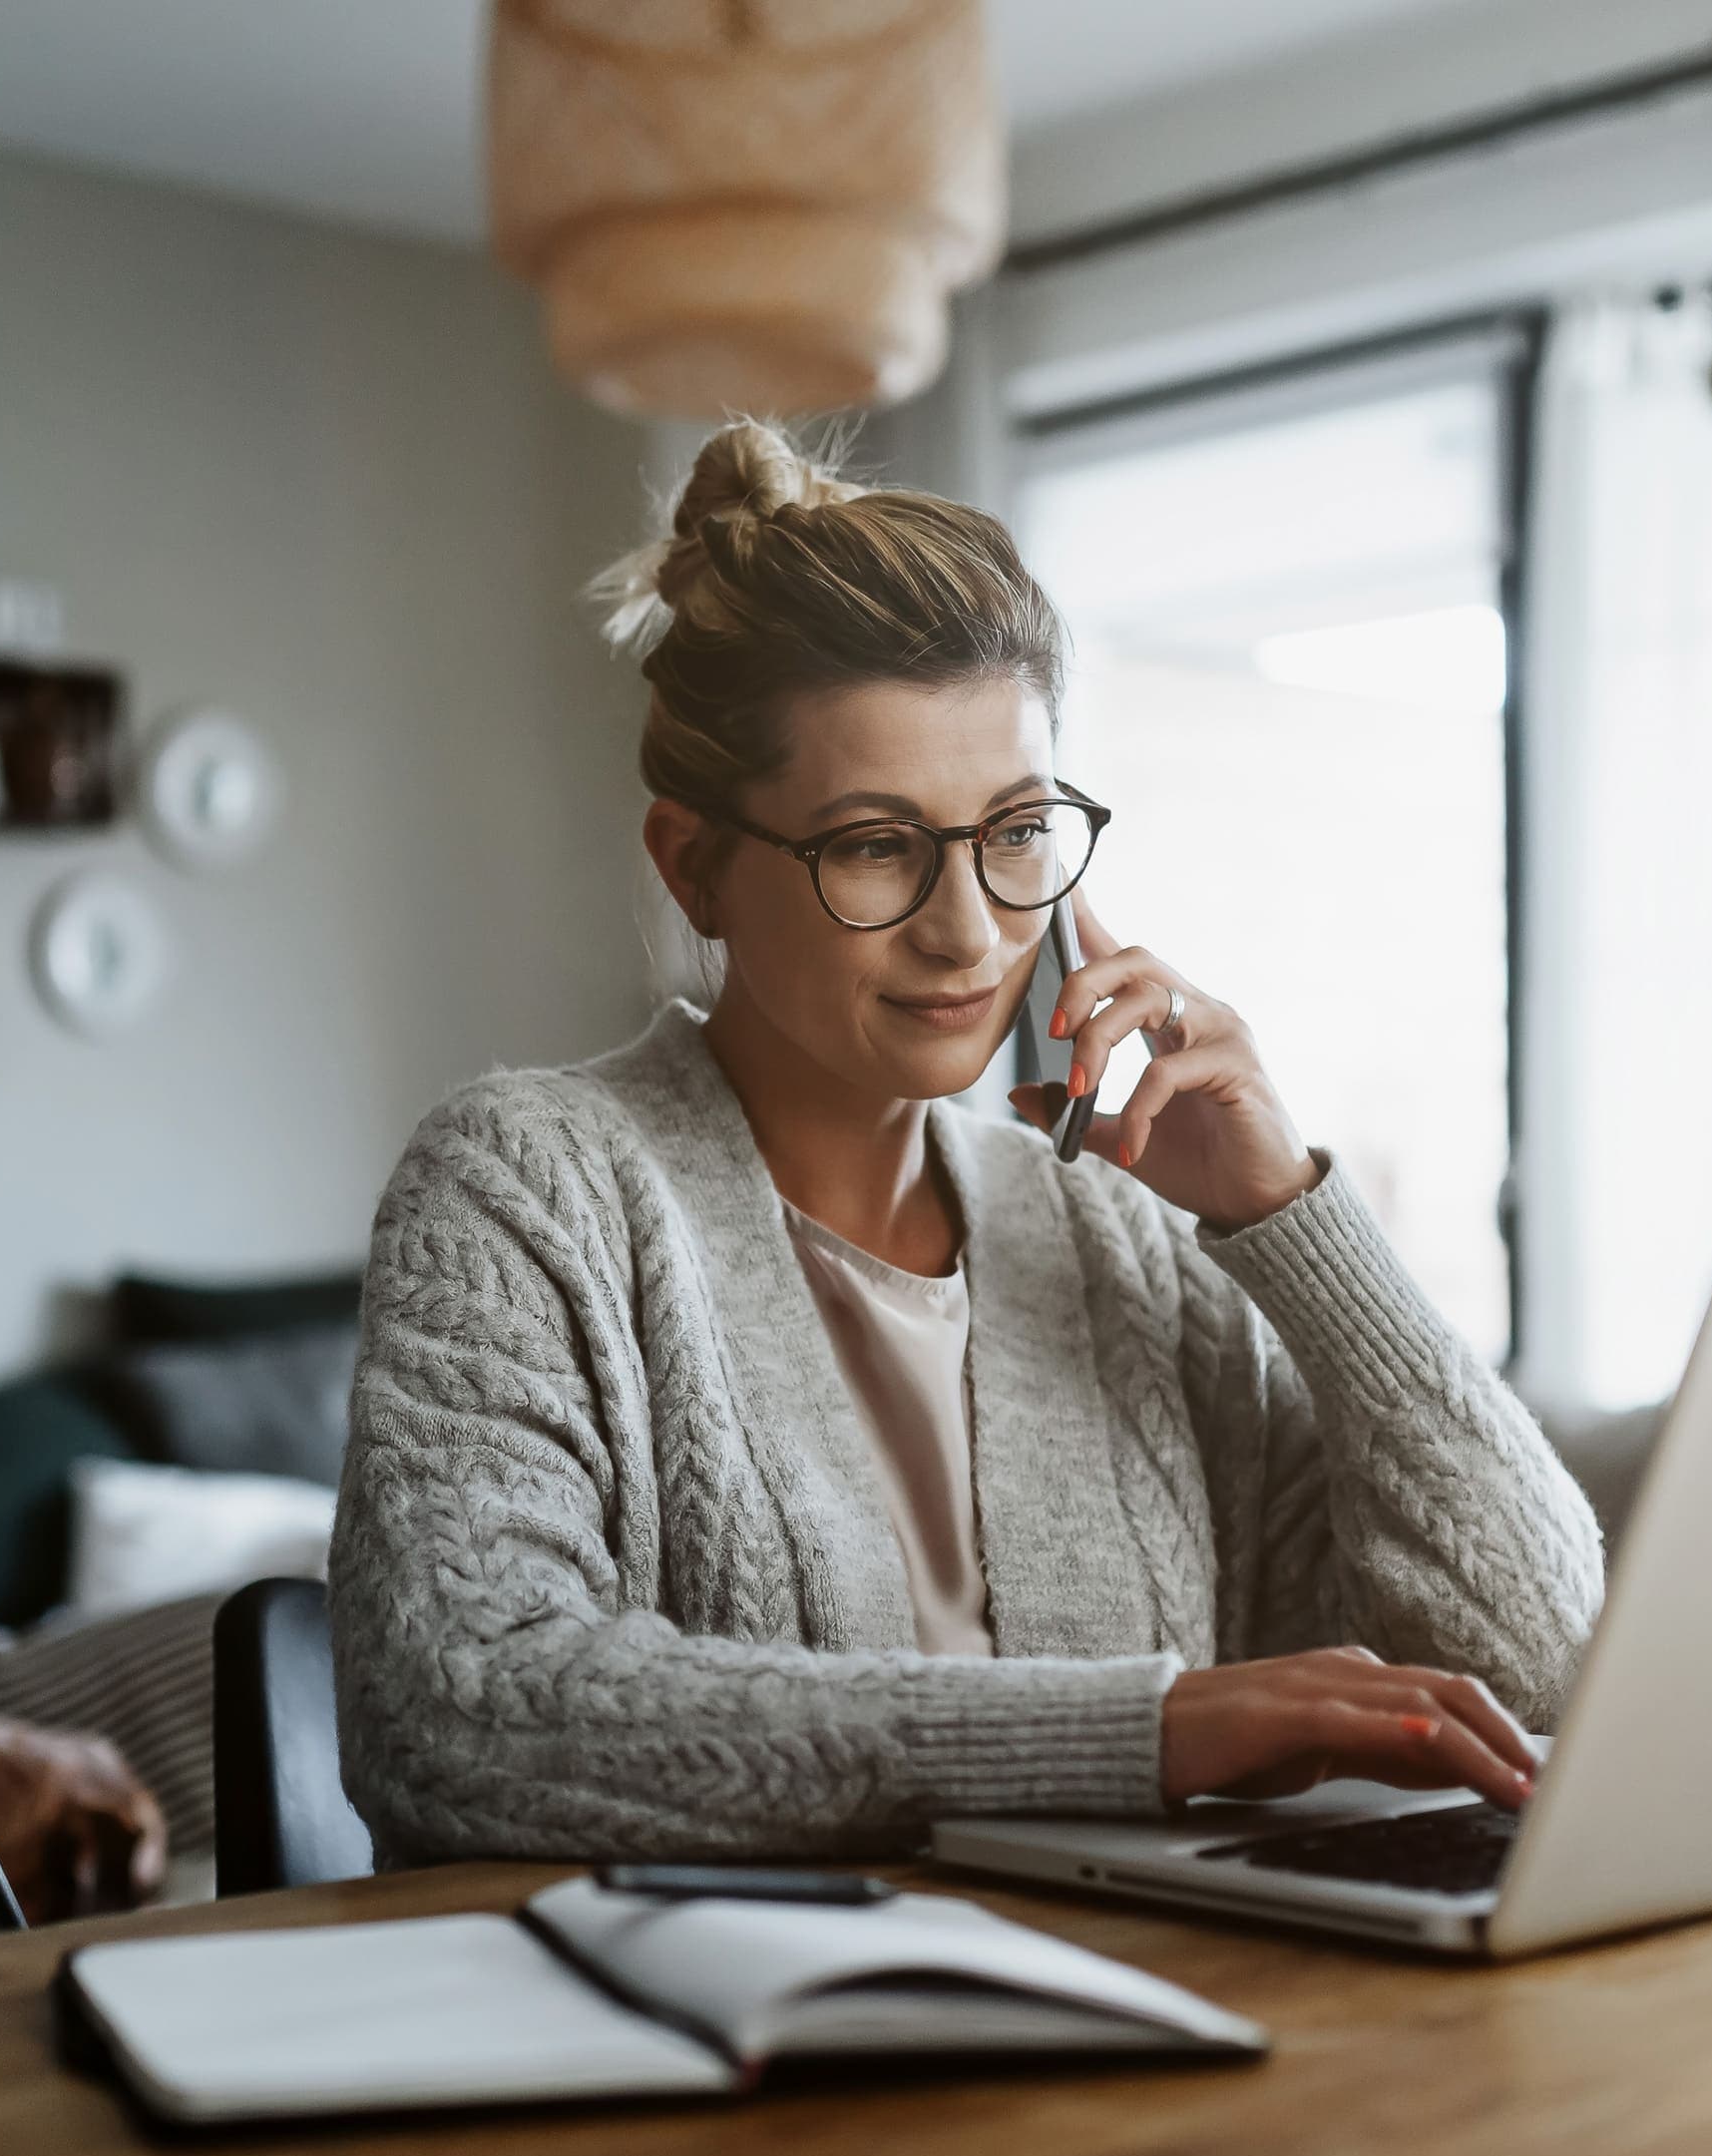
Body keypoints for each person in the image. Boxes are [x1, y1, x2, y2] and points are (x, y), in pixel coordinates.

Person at [330, 420, 1603, 1864]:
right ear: (696, 865)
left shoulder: (1112, 1234)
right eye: (876, 845)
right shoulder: (523, 1188)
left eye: (1016, 832)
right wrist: (1146, 1731)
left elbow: (1540, 1666)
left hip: (1142, 2025)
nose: (973, 930)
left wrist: (1294, 1223)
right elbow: (459, 1711)